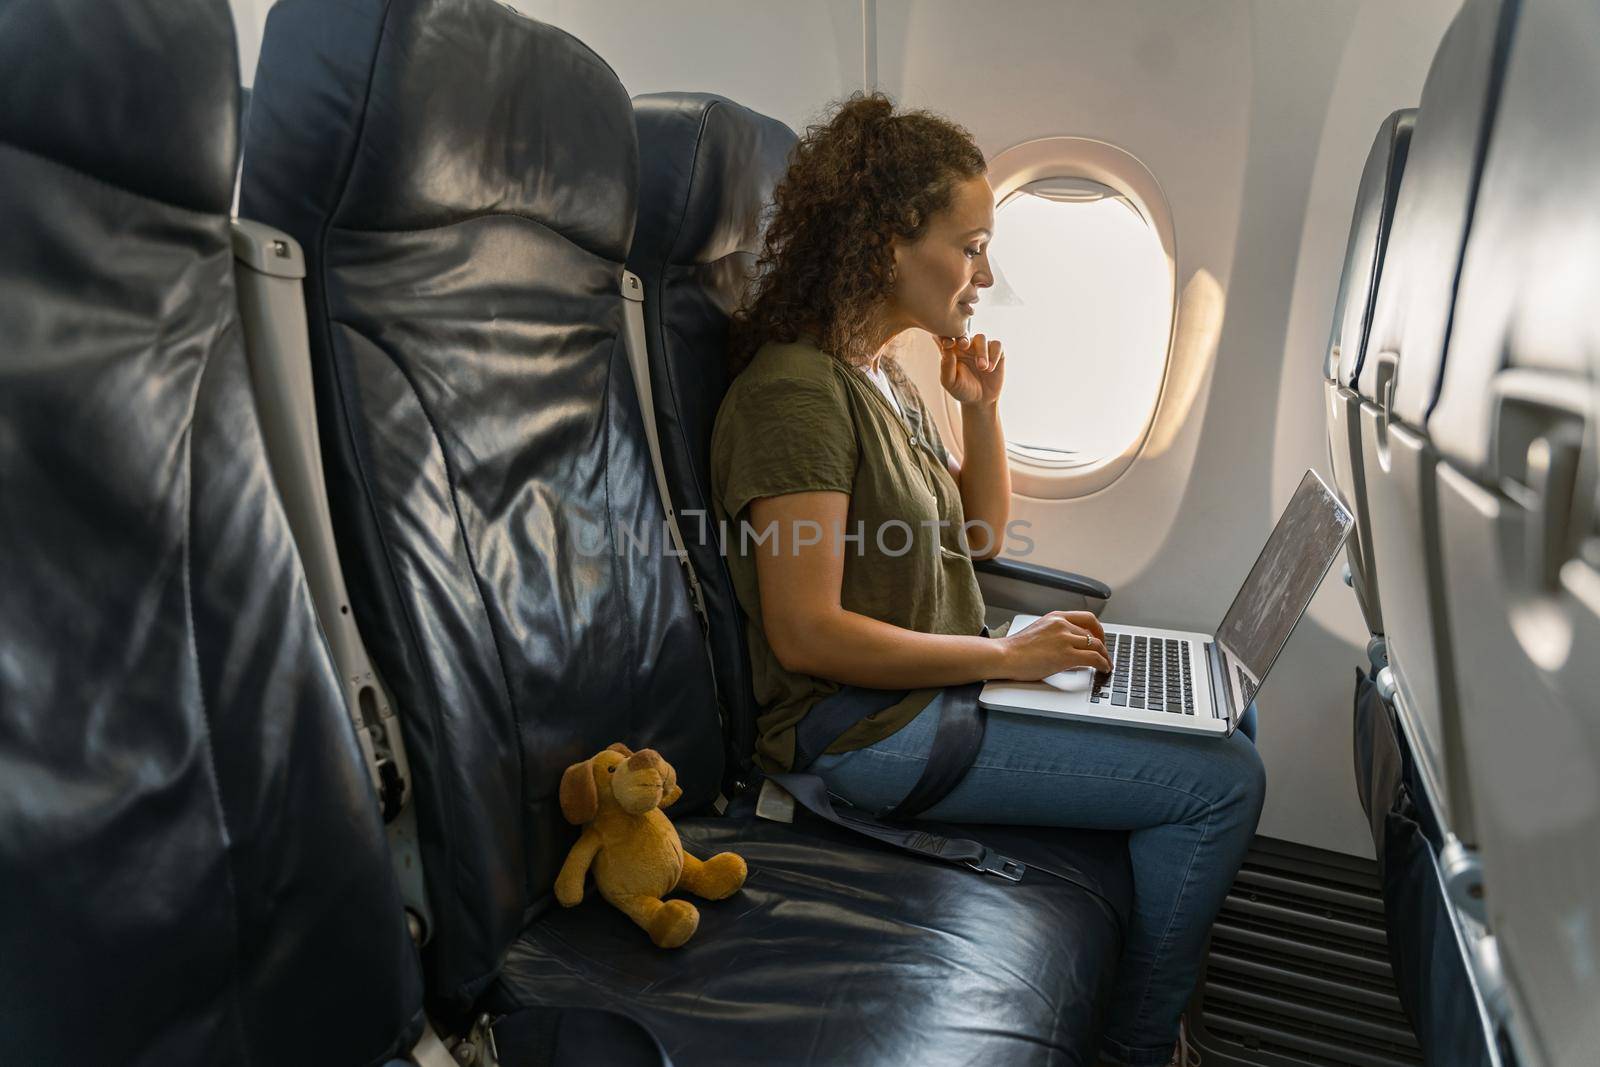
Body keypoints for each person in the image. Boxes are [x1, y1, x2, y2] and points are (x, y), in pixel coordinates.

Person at [708, 93, 1264, 1067]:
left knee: (1224, 718)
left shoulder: (878, 373)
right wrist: (1006, 653)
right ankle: (1139, 1049)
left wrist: (981, 410)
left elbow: (975, 532)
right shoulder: (795, 393)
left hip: (938, 690)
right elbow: (806, 633)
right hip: (863, 729)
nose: (985, 273)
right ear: (887, 244)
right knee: (1221, 783)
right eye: (969, 246)